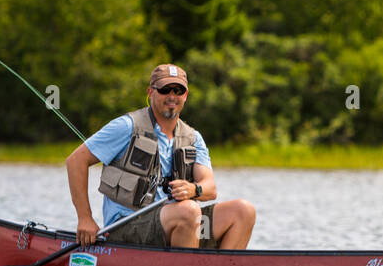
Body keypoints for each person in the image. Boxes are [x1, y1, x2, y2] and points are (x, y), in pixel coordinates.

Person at [66, 63, 256, 249]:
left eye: (178, 91)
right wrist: (85, 219)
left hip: (183, 225)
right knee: (189, 211)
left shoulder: (193, 137)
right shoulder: (126, 126)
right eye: (165, 89)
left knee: (243, 211)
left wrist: (193, 189)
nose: (172, 96)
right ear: (151, 92)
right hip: (127, 229)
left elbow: (210, 187)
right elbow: (76, 161)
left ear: (186, 96)